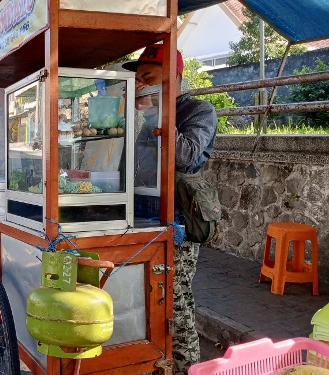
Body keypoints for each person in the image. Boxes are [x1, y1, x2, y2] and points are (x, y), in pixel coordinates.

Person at [123, 44, 218, 375]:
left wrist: (153, 112)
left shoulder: (198, 110)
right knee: (144, 304)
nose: (140, 84)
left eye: (147, 76)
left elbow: (187, 157)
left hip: (176, 224)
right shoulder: (144, 113)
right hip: (140, 219)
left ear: (173, 77)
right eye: (137, 79)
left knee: (175, 306)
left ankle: (186, 369)